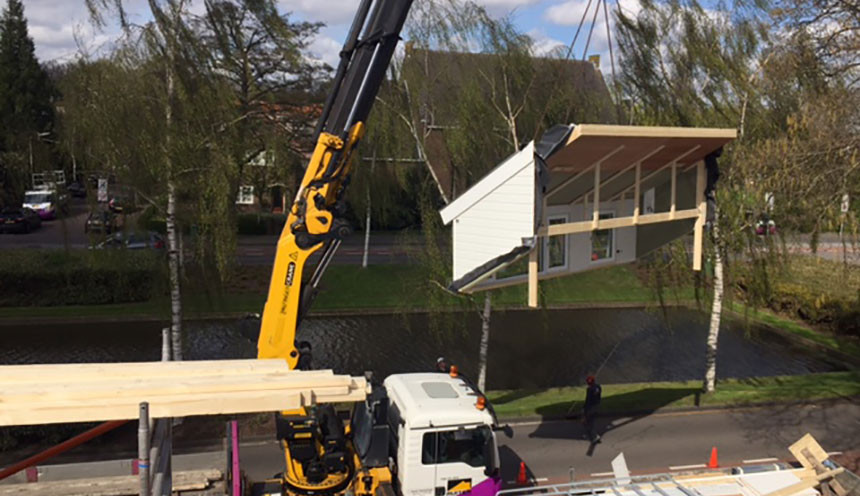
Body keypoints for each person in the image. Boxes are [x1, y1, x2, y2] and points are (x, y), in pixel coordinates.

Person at [583, 375, 602, 443]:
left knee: (589, 422)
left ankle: (594, 437)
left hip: (590, 407)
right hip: (597, 406)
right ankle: (592, 435)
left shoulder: (589, 389)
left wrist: (584, 408)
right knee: (592, 421)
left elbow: (588, 400)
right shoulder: (598, 387)